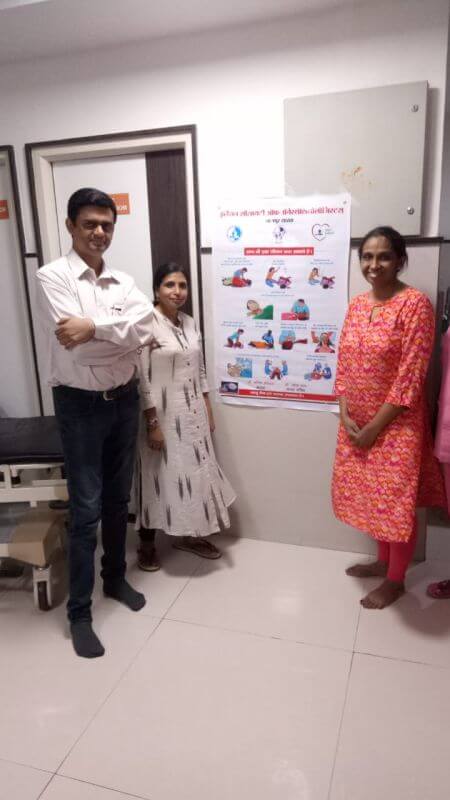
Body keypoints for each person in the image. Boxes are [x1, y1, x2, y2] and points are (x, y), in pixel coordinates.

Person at [36, 187, 154, 658]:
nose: (99, 232)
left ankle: (115, 579)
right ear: (71, 226)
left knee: (118, 499)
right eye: (89, 224)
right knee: (85, 511)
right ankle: (79, 613)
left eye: (106, 224)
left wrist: (96, 327)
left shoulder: (123, 281)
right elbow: (79, 349)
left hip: (124, 400)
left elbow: (147, 328)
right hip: (79, 406)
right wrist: (118, 336)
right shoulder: (53, 275)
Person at [332, 226, 446, 609]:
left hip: (396, 427)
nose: (374, 264)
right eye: (367, 256)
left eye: (383, 256)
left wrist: (374, 427)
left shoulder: (415, 305)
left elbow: (410, 376)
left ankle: (396, 580)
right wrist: (345, 413)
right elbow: (343, 364)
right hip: (357, 426)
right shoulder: (356, 306)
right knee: (372, 498)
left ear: (400, 260)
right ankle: (383, 562)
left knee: (395, 504)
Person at [135, 263, 236, 570]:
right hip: (160, 416)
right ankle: (147, 544)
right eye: (169, 285)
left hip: (192, 414)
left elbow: (199, 369)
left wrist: (207, 407)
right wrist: (152, 423)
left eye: (182, 285)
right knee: (155, 476)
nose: (177, 291)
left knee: (194, 474)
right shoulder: (145, 323)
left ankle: (188, 535)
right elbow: (141, 377)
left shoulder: (189, 323)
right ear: (156, 290)